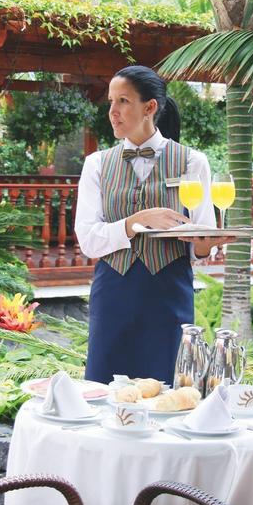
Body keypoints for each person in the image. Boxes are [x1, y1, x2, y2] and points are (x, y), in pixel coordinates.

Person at [74, 65, 234, 384]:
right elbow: (89, 241)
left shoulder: (192, 161)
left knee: (169, 390)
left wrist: (206, 247)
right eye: (111, 102)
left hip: (168, 291)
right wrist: (134, 222)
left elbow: (200, 237)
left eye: (123, 101)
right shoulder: (96, 165)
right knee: (105, 391)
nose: (113, 112)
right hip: (114, 291)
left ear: (150, 108)